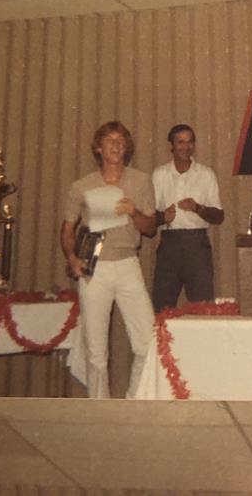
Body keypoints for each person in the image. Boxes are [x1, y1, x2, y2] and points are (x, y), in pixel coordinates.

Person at [61, 121, 155, 398]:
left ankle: (133, 403)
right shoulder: (81, 186)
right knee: (96, 353)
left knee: (148, 343)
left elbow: (150, 228)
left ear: (127, 147)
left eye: (121, 140)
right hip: (95, 270)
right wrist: (72, 258)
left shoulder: (141, 181)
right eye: (110, 140)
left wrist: (134, 212)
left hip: (128, 266)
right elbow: (67, 229)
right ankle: (100, 409)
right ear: (98, 148)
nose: (116, 144)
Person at [152, 124, 224, 312]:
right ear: (171, 146)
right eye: (180, 142)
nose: (186, 147)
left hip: (197, 244)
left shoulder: (206, 174)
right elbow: (150, 216)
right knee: (162, 307)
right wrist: (163, 217)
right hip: (169, 245)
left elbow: (219, 216)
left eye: (190, 142)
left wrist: (197, 208)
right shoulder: (159, 175)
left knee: (202, 307)